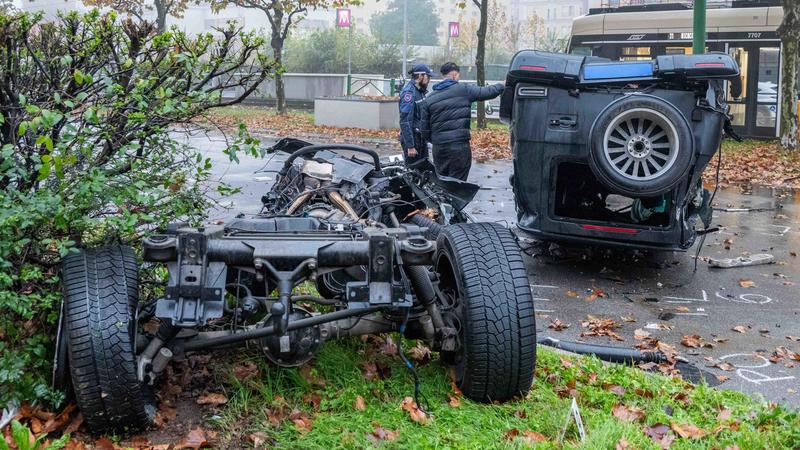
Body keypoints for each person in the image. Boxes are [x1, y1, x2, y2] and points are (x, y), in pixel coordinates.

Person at [419, 62, 504, 181]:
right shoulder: (464, 90)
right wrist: (502, 85)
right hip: (459, 146)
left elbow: (424, 130)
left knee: (442, 181)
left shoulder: (429, 99)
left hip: (439, 148)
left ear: (443, 76)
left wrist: (437, 140)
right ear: (455, 75)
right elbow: (487, 92)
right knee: (458, 183)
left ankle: (444, 194)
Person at [398, 64, 432, 165]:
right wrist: (410, 146)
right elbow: (405, 120)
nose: (429, 79)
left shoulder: (419, 91)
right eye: (428, 76)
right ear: (420, 76)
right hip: (413, 139)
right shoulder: (409, 92)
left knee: (424, 168)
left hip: (420, 137)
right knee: (413, 170)